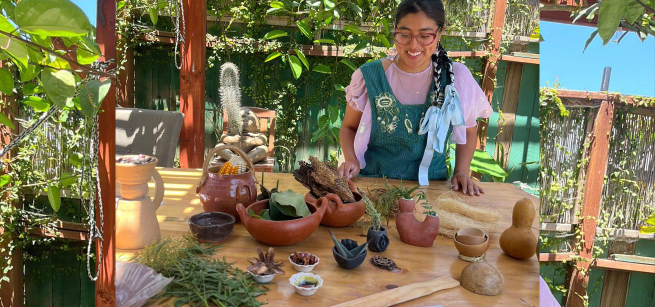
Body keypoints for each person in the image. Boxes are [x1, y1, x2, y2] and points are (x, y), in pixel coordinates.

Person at [338, 0, 492, 196]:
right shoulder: (369, 77)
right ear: (395, 32)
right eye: (404, 34)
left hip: (433, 191)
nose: (413, 45)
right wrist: (351, 159)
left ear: (440, 33)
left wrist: (461, 171)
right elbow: (348, 127)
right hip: (373, 190)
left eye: (425, 36)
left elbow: (469, 131)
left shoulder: (455, 78)